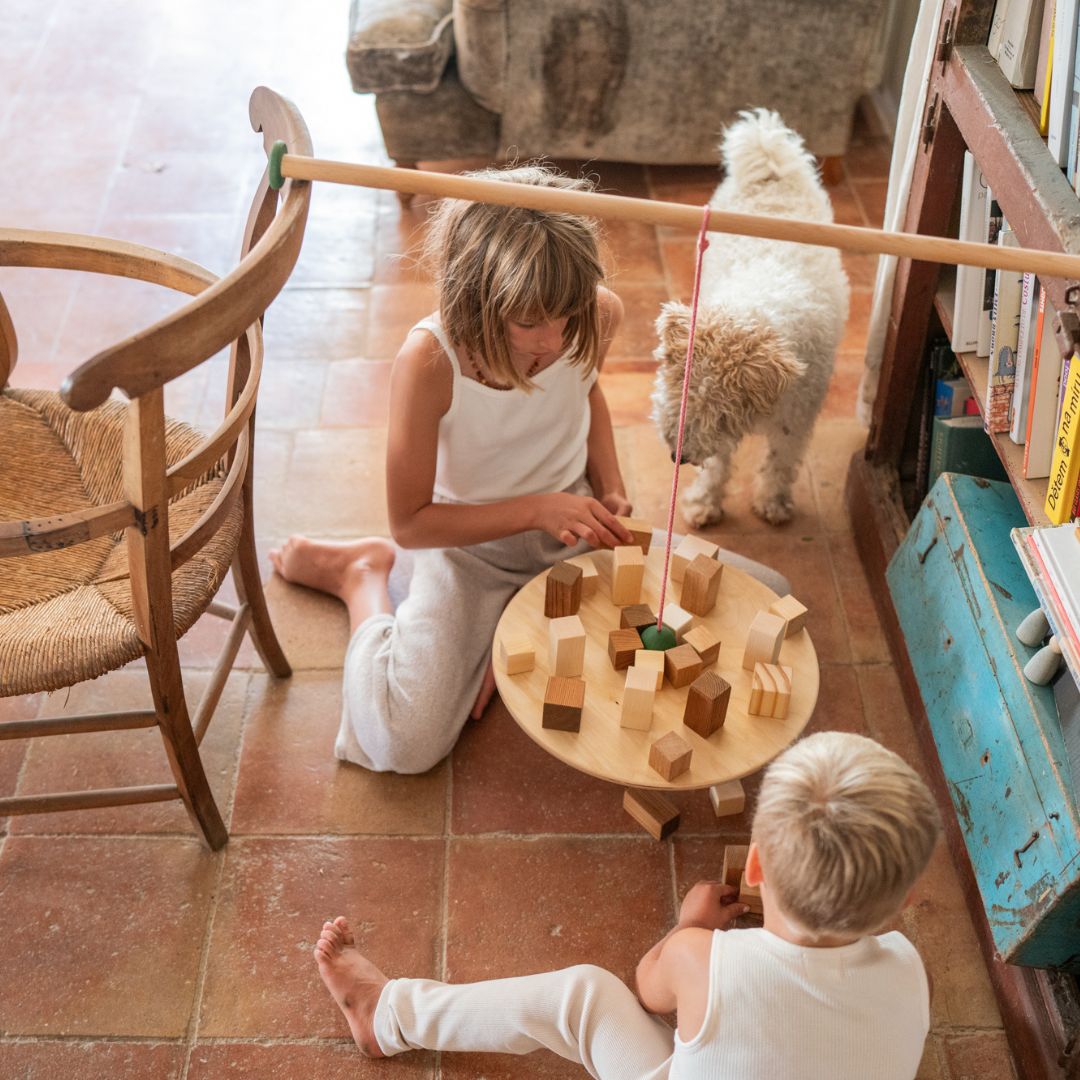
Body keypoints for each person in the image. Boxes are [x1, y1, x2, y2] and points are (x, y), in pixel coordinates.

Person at [270, 164, 787, 775]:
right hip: (467, 550)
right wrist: (539, 509)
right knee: (401, 744)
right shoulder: (431, 359)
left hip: (573, 530)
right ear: (476, 298)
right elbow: (410, 524)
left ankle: (517, 622)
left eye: (566, 315)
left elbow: (586, 392)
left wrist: (610, 487)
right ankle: (361, 576)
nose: (554, 340)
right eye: (529, 322)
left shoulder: (596, 314)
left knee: (769, 595)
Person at [312, 731, 942, 1079]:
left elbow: (647, 989)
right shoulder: (912, 973)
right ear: (907, 899)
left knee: (584, 995)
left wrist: (688, 927)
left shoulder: (701, 959)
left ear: (754, 866)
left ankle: (386, 1017)